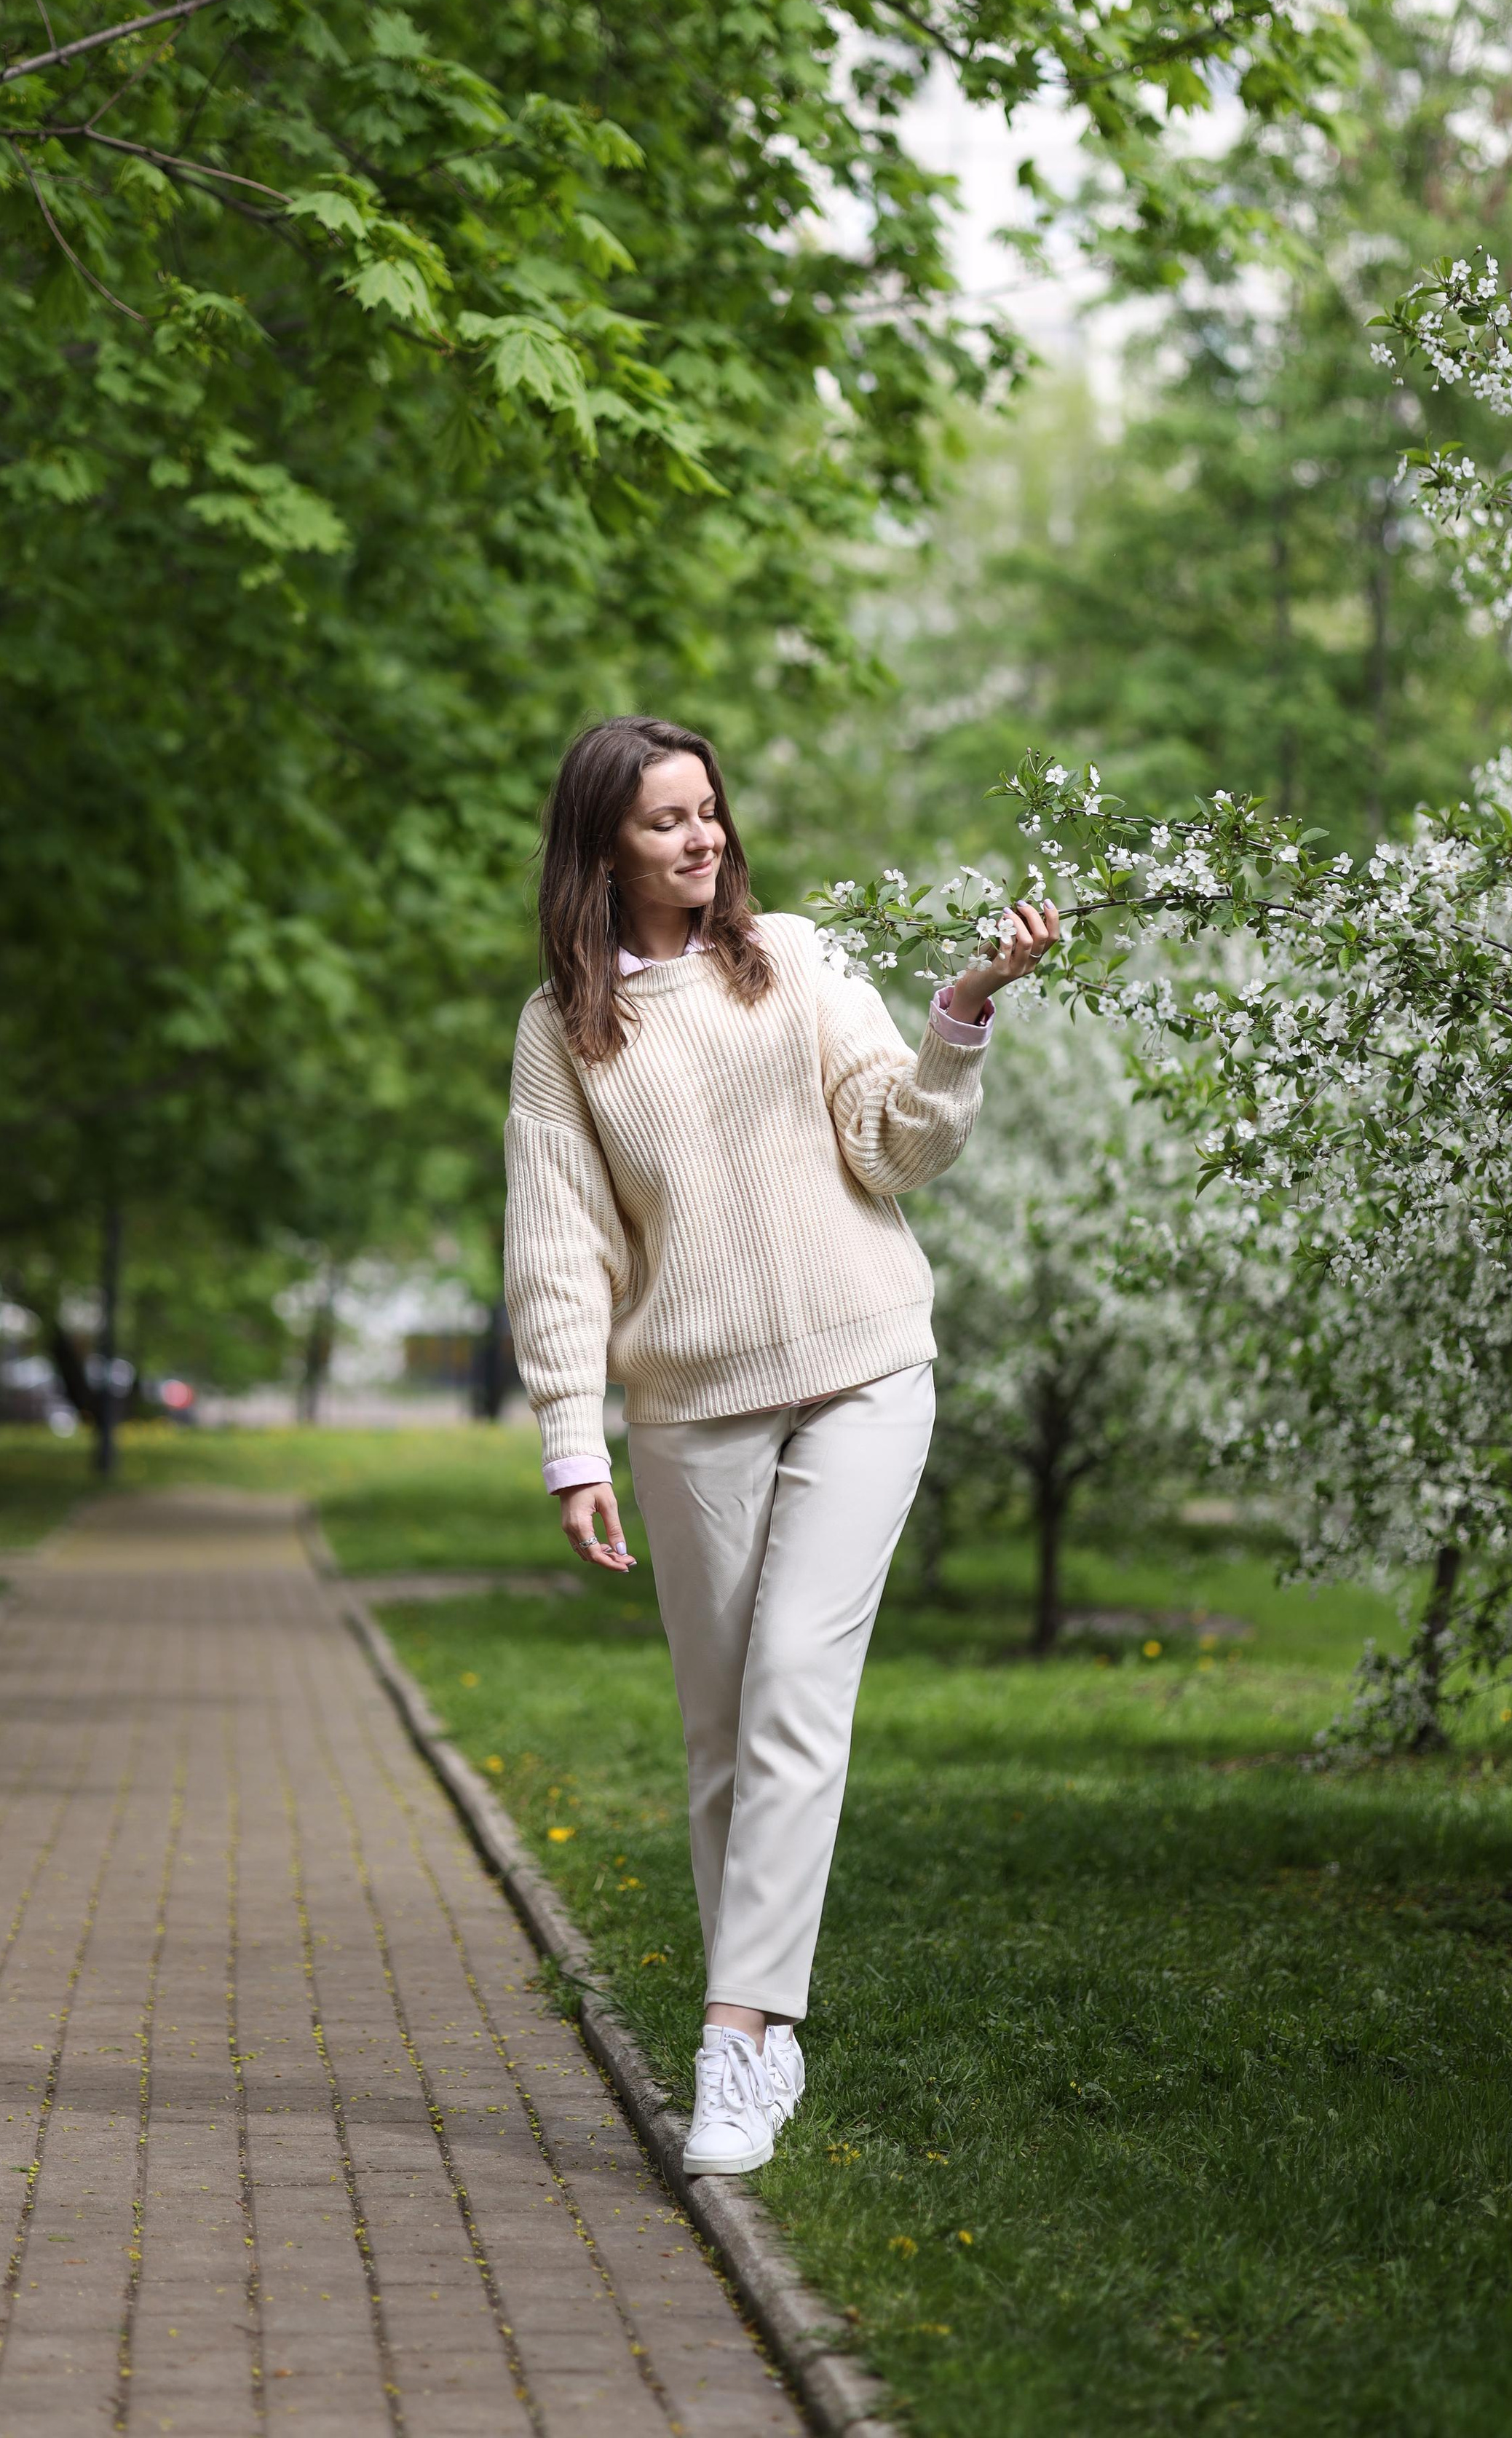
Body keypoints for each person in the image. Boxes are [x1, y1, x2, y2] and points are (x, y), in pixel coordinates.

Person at [503, 716, 1057, 2174]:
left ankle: (735, 2041)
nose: (700, 840)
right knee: (721, 1731)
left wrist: (956, 1014)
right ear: (601, 848)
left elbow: (894, 1146)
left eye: (708, 814)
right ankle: (764, 2028)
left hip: (863, 1365)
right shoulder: (562, 1032)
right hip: (689, 1406)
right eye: (664, 823)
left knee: (795, 1689)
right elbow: (559, 1251)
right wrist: (572, 1443)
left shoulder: (796, 959)